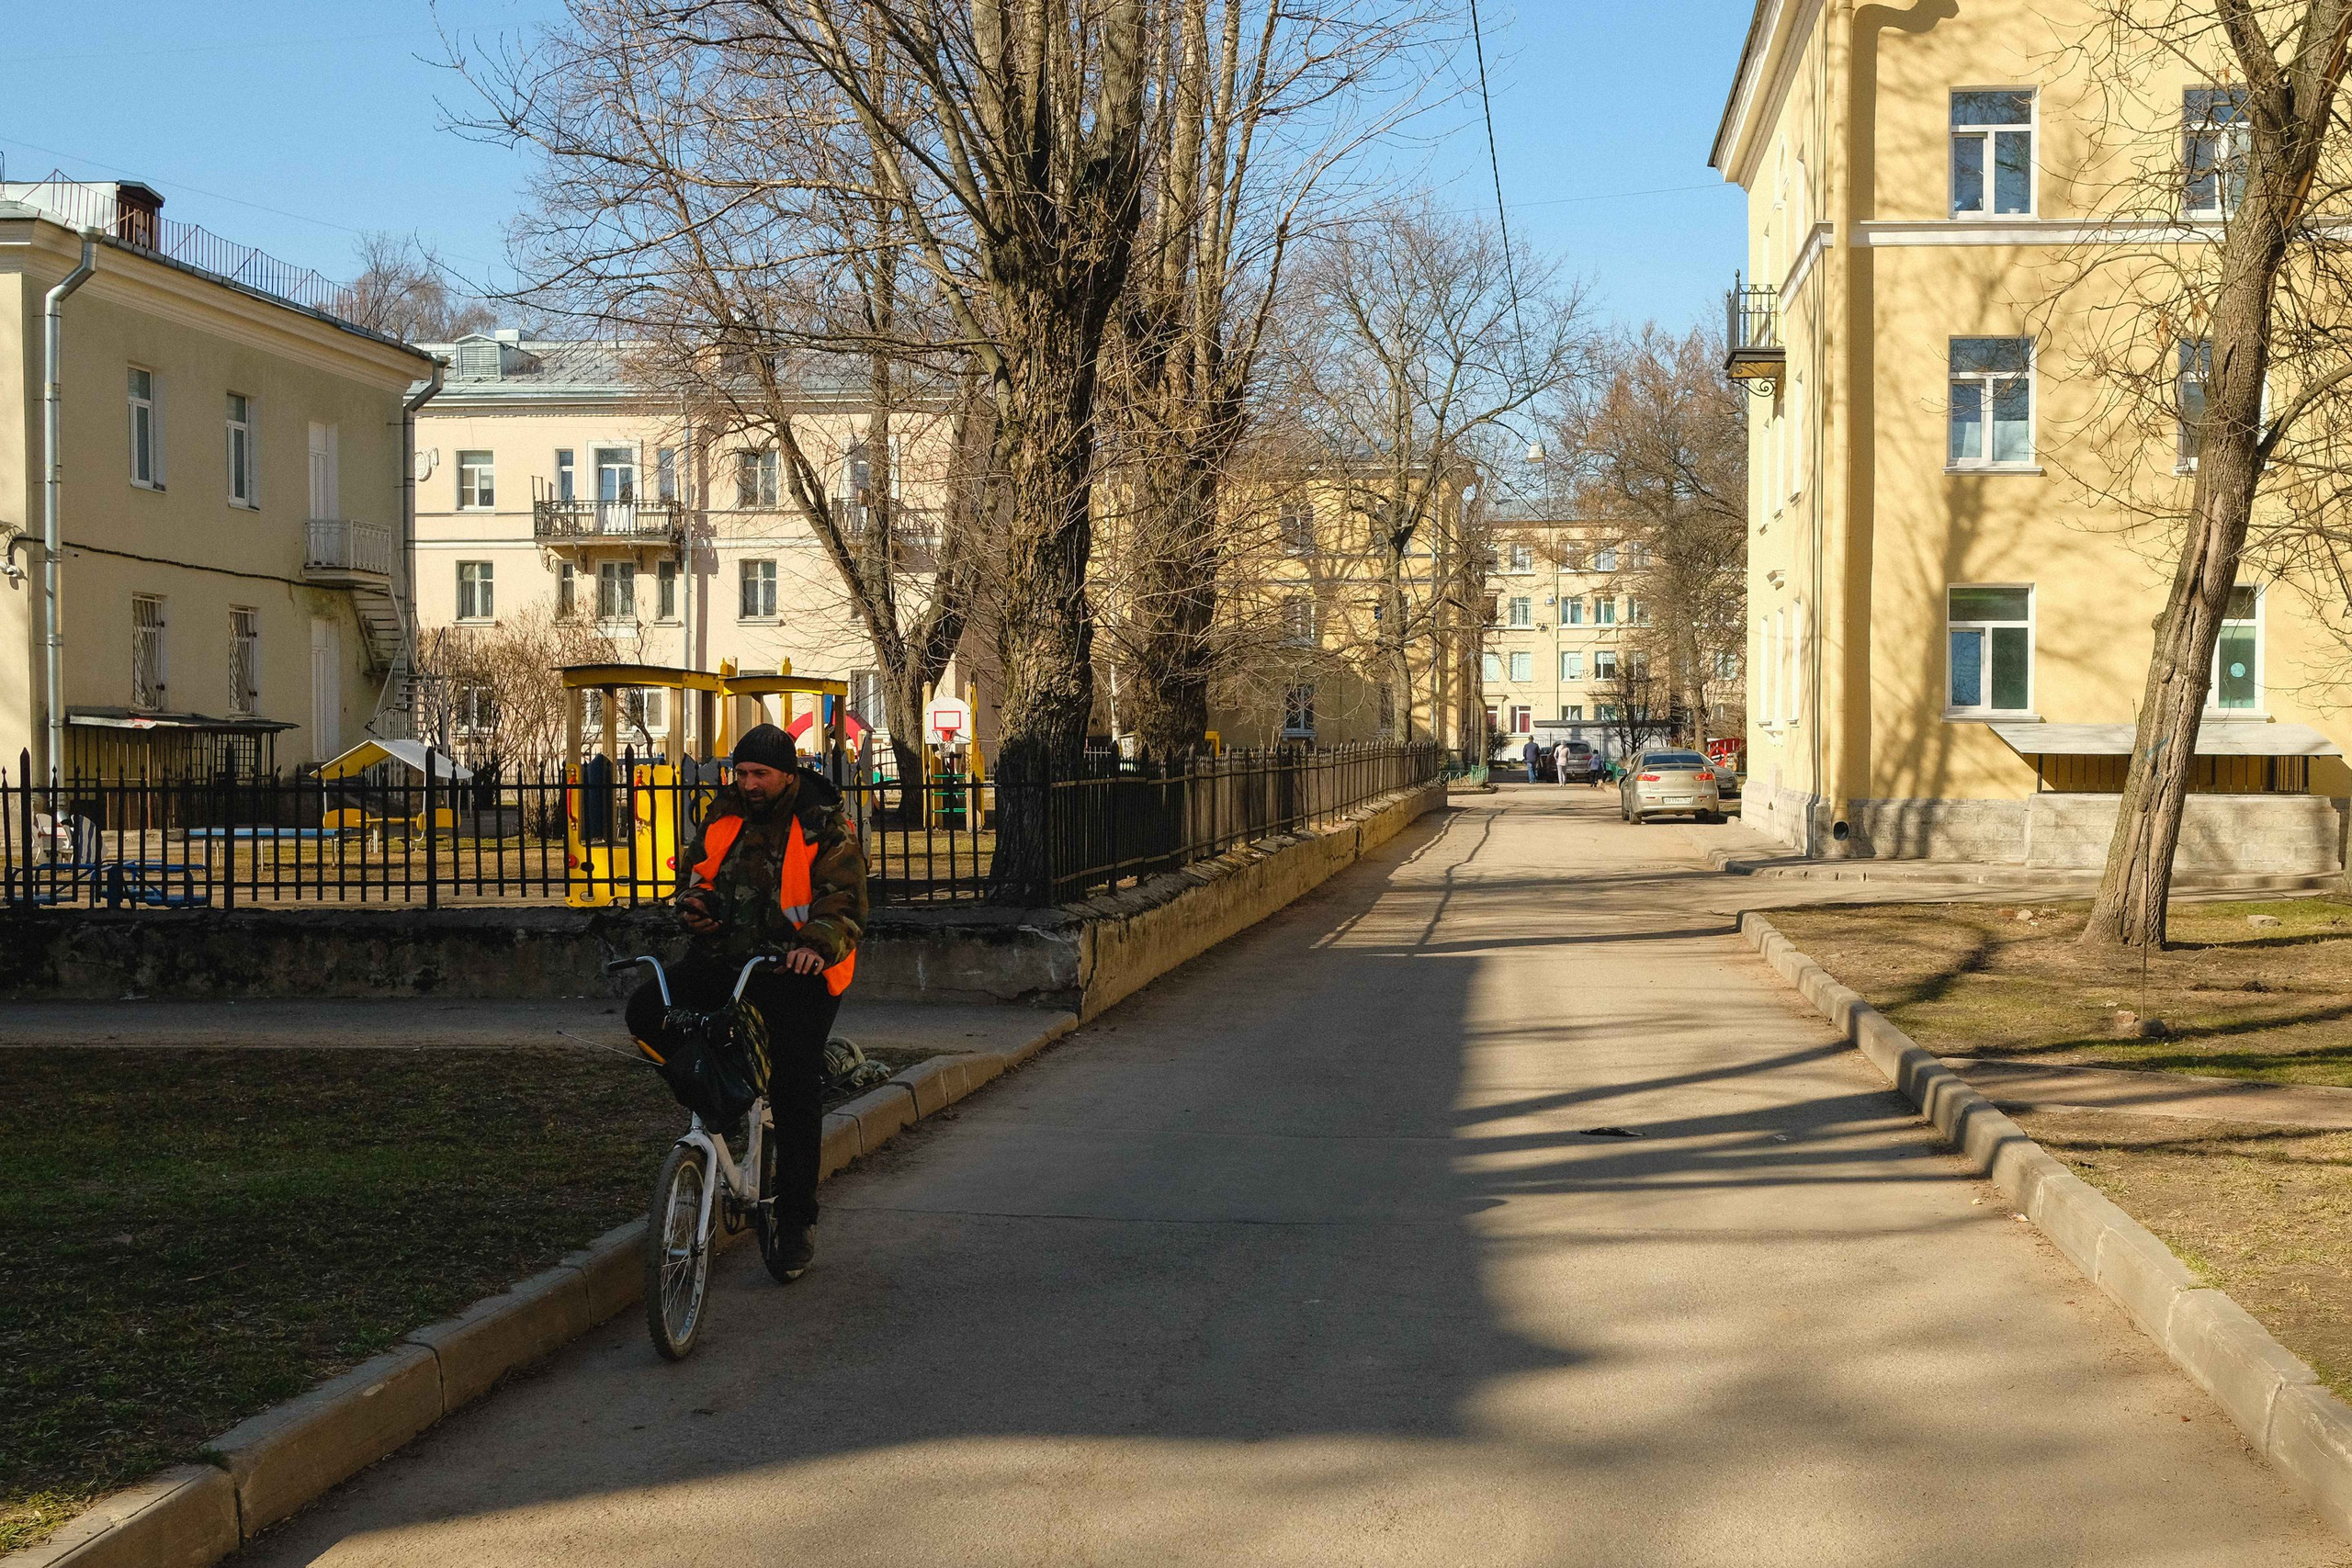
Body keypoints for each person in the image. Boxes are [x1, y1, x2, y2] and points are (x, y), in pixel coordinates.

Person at [625, 723, 867, 1281]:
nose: (749, 783)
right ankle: (722, 1097)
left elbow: (846, 901)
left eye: (760, 773)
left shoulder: (822, 822)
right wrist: (695, 904)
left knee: (794, 1084)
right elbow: (697, 875)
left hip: (796, 970)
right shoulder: (724, 812)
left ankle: (797, 1220)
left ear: (787, 773)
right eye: (742, 772)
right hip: (723, 959)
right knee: (647, 1011)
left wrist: (815, 945)